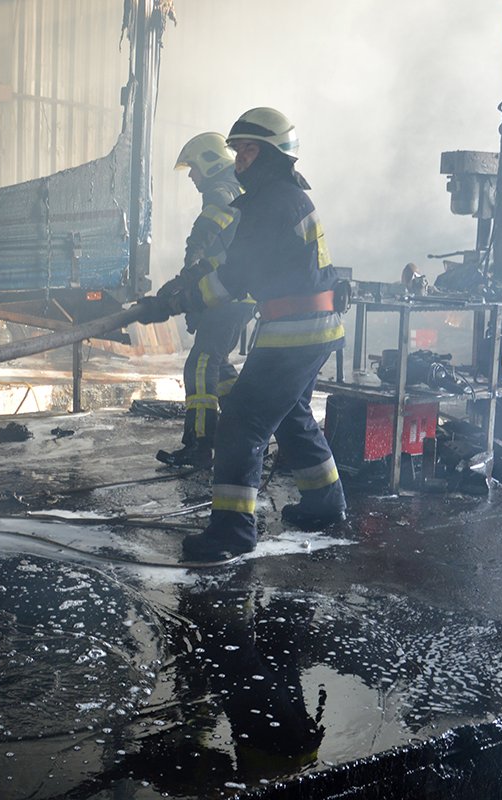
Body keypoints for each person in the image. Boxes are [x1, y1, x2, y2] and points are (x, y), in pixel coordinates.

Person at [136, 107, 347, 561]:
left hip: (295, 331)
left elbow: (232, 280)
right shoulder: (275, 199)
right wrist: (183, 284)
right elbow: (231, 260)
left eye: (248, 150)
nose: (239, 160)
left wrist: (174, 304)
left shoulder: (271, 201)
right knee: (291, 415)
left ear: (272, 154)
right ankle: (325, 502)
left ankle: (232, 531)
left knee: (242, 423)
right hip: (310, 327)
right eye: (237, 150)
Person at [155, 132, 252, 469]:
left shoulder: (220, 192)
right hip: (239, 293)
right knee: (219, 364)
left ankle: (200, 446)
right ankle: (243, 429)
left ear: (210, 162)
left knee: (199, 364)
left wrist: (187, 276)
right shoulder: (237, 188)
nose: (193, 177)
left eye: (194, 168)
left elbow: (204, 238)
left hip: (230, 295)